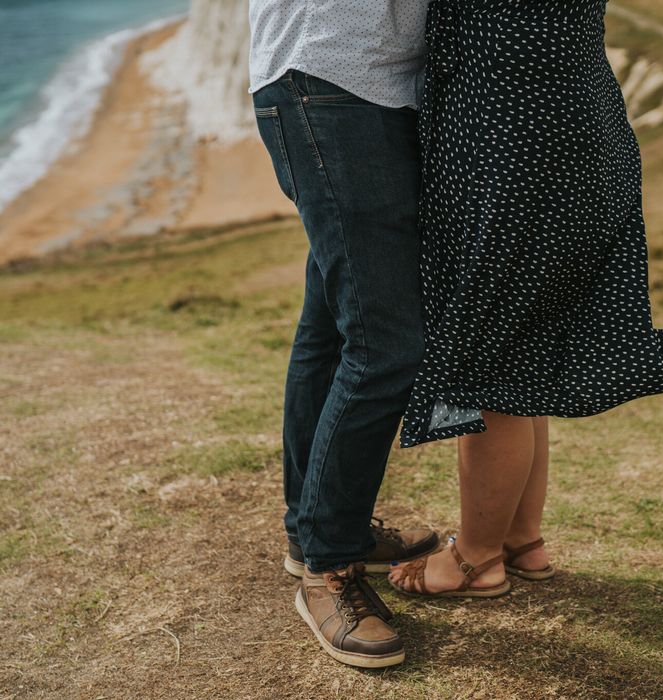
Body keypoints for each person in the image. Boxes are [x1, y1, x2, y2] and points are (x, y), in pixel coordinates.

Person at [389, 0, 663, 597]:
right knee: (526, 349)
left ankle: (475, 557)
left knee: (490, 362)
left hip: (511, 144)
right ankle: (522, 539)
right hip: (581, 127)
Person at [248, 0, 439, 669]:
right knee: (386, 347)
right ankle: (329, 566)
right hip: (335, 78)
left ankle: (316, 532)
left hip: (355, 82)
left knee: (330, 326)